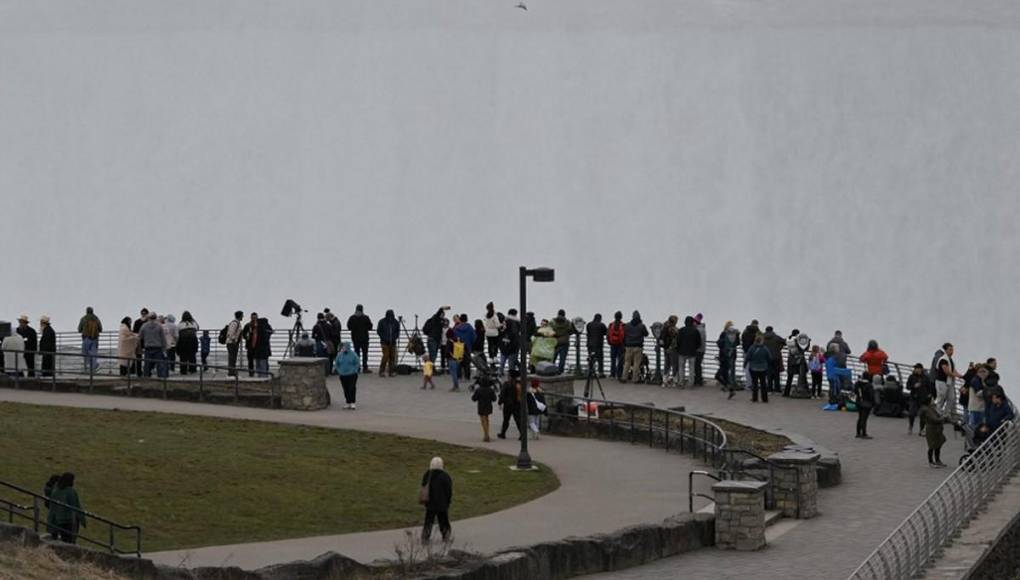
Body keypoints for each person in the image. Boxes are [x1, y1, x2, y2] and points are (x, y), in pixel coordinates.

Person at [420, 457, 453, 542]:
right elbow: (448, 490)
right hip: (442, 503)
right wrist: (448, 501)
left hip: (430, 502)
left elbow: (423, 486)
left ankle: (425, 536)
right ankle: (446, 536)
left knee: (428, 520)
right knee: (443, 520)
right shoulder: (445, 476)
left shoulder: (427, 474)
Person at [47, 472, 85, 543]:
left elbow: (52, 506)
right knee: (70, 541)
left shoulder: (55, 490)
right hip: (69, 520)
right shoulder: (70, 491)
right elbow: (75, 506)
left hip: (57, 520)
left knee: (61, 540)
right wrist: (82, 519)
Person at [934, 343, 963, 419]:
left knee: (951, 398)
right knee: (941, 397)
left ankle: (945, 414)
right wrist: (955, 376)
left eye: (952, 349)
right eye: (950, 349)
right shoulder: (943, 359)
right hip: (941, 382)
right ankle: (938, 412)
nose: (952, 351)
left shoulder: (950, 359)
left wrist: (960, 375)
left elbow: (953, 370)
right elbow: (946, 371)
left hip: (949, 382)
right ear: (946, 350)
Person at [906, 363, 935, 434]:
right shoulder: (911, 377)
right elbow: (907, 387)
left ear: (921, 369)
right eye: (915, 368)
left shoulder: (926, 377)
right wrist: (913, 386)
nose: (917, 370)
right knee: (911, 413)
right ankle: (910, 426)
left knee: (923, 415)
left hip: (923, 399)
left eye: (918, 368)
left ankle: (921, 429)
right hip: (914, 398)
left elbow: (930, 388)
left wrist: (930, 396)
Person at [921, 396, 949, 468]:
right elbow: (935, 419)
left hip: (937, 430)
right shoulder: (927, 410)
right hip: (932, 430)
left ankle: (937, 460)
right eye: (932, 400)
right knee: (932, 446)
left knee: (938, 445)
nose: (934, 401)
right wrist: (943, 417)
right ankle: (931, 462)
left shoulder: (933, 408)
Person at [621, 311, 648, 383]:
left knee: (627, 362)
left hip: (628, 346)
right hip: (638, 347)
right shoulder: (642, 326)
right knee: (636, 363)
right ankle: (635, 379)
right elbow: (646, 334)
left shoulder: (627, 325)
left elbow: (624, 334)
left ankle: (624, 378)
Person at [139, 313, 167, 378]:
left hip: (148, 347)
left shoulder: (144, 326)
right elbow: (163, 338)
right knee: (159, 364)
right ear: (156, 317)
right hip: (157, 347)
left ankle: (146, 376)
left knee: (147, 364)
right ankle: (161, 377)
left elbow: (140, 336)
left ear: (148, 318)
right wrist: (164, 348)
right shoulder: (159, 326)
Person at [498, 370, 524, 439]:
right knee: (518, 420)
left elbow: (502, 394)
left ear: (510, 376)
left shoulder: (507, 384)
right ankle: (522, 434)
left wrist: (500, 402)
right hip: (517, 404)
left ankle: (503, 433)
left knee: (506, 420)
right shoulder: (519, 384)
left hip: (508, 404)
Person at [347, 305, 373, 373]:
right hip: (364, 338)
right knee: (365, 353)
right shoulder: (366, 318)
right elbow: (370, 327)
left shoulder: (352, 318)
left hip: (355, 339)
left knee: (356, 354)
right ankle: (365, 368)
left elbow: (349, 327)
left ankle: (357, 367)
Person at [334, 341, 360, 409]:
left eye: (344, 347)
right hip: (343, 375)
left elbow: (357, 363)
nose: (343, 348)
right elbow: (337, 364)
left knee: (352, 388)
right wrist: (339, 371)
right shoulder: (339, 355)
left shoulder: (353, 354)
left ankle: (353, 402)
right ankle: (348, 402)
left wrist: (355, 370)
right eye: (343, 347)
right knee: (345, 389)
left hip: (352, 375)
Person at [825, 343, 853, 408]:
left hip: (829, 374)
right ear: (835, 349)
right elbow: (839, 365)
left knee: (832, 388)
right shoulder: (835, 357)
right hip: (834, 375)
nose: (838, 349)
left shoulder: (828, 355)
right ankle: (834, 402)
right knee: (835, 389)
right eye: (837, 347)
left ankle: (832, 401)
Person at [677, 316, 701, 388]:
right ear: (692, 323)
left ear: (685, 322)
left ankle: (681, 382)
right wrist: (695, 348)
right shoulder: (695, 331)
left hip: (682, 352)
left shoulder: (681, 330)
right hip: (692, 352)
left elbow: (678, 341)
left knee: (681, 367)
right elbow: (698, 343)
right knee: (691, 368)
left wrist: (679, 348)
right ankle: (691, 383)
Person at [745, 335, 770, 403]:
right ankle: (765, 399)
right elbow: (769, 357)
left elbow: (747, 357)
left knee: (754, 383)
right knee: (763, 384)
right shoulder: (765, 348)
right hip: (763, 368)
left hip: (753, 368)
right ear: (762, 341)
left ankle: (755, 398)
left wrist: (745, 364)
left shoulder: (752, 348)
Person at [716, 321, 740, 391]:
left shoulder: (723, 333)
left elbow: (719, 343)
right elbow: (738, 343)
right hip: (733, 353)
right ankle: (732, 383)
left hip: (724, 354)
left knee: (725, 370)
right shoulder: (736, 334)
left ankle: (727, 384)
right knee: (732, 369)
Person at [472, 376, 497, 441]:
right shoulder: (490, 390)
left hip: (481, 406)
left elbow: (474, 399)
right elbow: (494, 399)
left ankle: (486, 435)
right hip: (488, 406)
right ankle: (487, 433)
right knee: (487, 419)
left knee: (483, 420)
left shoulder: (478, 390)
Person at [77, 307, 102, 372]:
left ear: (86, 311)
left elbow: (79, 329)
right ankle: (94, 368)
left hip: (86, 338)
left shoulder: (83, 318)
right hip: (95, 338)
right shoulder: (96, 318)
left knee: (85, 353)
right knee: (94, 353)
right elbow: (100, 328)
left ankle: (87, 367)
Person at [783, 329, 807, 397]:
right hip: (798, 359)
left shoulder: (788, 339)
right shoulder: (797, 340)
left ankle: (786, 392)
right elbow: (802, 348)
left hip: (790, 359)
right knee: (802, 375)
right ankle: (801, 390)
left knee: (789, 377)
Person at [761, 326, 784, 394]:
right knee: (776, 374)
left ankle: (769, 389)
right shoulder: (776, 337)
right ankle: (777, 389)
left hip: (766, 357)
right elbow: (784, 342)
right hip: (776, 357)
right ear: (772, 330)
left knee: (768, 373)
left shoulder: (762, 337)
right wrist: (780, 348)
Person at [452, 315, 476, 381]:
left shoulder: (456, 328)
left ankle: (459, 377)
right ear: (467, 319)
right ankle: (467, 377)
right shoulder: (470, 327)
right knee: (467, 363)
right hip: (467, 346)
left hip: (458, 347)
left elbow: (453, 337)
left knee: (458, 362)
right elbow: (474, 337)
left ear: (460, 319)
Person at [549, 310, 573, 374]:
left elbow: (549, 331)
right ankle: (560, 371)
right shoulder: (567, 322)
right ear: (564, 314)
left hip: (555, 342)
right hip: (564, 342)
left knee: (552, 358)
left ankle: (550, 370)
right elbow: (571, 331)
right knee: (562, 359)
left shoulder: (552, 322)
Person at [500, 309, 522, 375]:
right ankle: (512, 375)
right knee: (512, 362)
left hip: (504, 345)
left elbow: (501, 333)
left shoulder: (505, 321)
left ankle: (501, 373)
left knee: (503, 361)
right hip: (514, 346)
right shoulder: (518, 323)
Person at [853, 372, 875, 439]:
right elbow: (871, 396)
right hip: (866, 403)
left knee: (860, 417)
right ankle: (864, 433)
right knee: (864, 418)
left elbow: (855, 391)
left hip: (859, 402)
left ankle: (858, 433)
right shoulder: (869, 385)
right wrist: (873, 403)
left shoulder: (858, 383)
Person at [585, 313, 607, 378]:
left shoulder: (589, 324)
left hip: (590, 345)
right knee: (600, 359)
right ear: (600, 318)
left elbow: (588, 332)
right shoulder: (602, 325)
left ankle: (590, 372)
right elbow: (605, 332)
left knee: (591, 359)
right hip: (598, 345)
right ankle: (600, 373)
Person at [660, 316, 680, 382]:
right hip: (672, 349)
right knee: (674, 364)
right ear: (674, 321)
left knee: (667, 364)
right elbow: (676, 338)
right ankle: (675, 380)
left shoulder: (664, 327)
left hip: (665, 348)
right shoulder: (673, 329)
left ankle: (665, 379)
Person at [607, 311, 626, 380]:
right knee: (620, 360)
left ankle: (612, 374)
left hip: (613, 345)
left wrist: (610, 342)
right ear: (621, 317)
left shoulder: (611, 324)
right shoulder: (623, 325)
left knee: (613, 360)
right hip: (620, 345)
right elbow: (625, 336)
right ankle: (619, 374)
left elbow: (608, 334)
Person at [225, 311, 244, 377]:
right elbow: (231, 333)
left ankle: (232, 371)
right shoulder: (235, 323)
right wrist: (234, 341)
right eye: (242, 315)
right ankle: (231, 372)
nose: (243, 317)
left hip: (232, 343)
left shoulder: (237, 323)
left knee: (233, 358)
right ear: (240, 316)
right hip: (231, 343)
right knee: (232, 357)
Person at [132, 308, 149, 377]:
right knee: (147, 357)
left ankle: (139, 371)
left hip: (139, 341)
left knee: (138, 357)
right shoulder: (149, 322)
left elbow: (134, 332)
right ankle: (146, 371)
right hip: (147, 341)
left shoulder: (137, 322)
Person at [693, 313, 707, 386]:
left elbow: (697, 341)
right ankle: (699, 379)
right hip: (702, 350)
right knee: (698, 365)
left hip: (698, 350)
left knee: (697, 365)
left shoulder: (698, 330)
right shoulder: (702, 329)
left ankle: (698, 380)